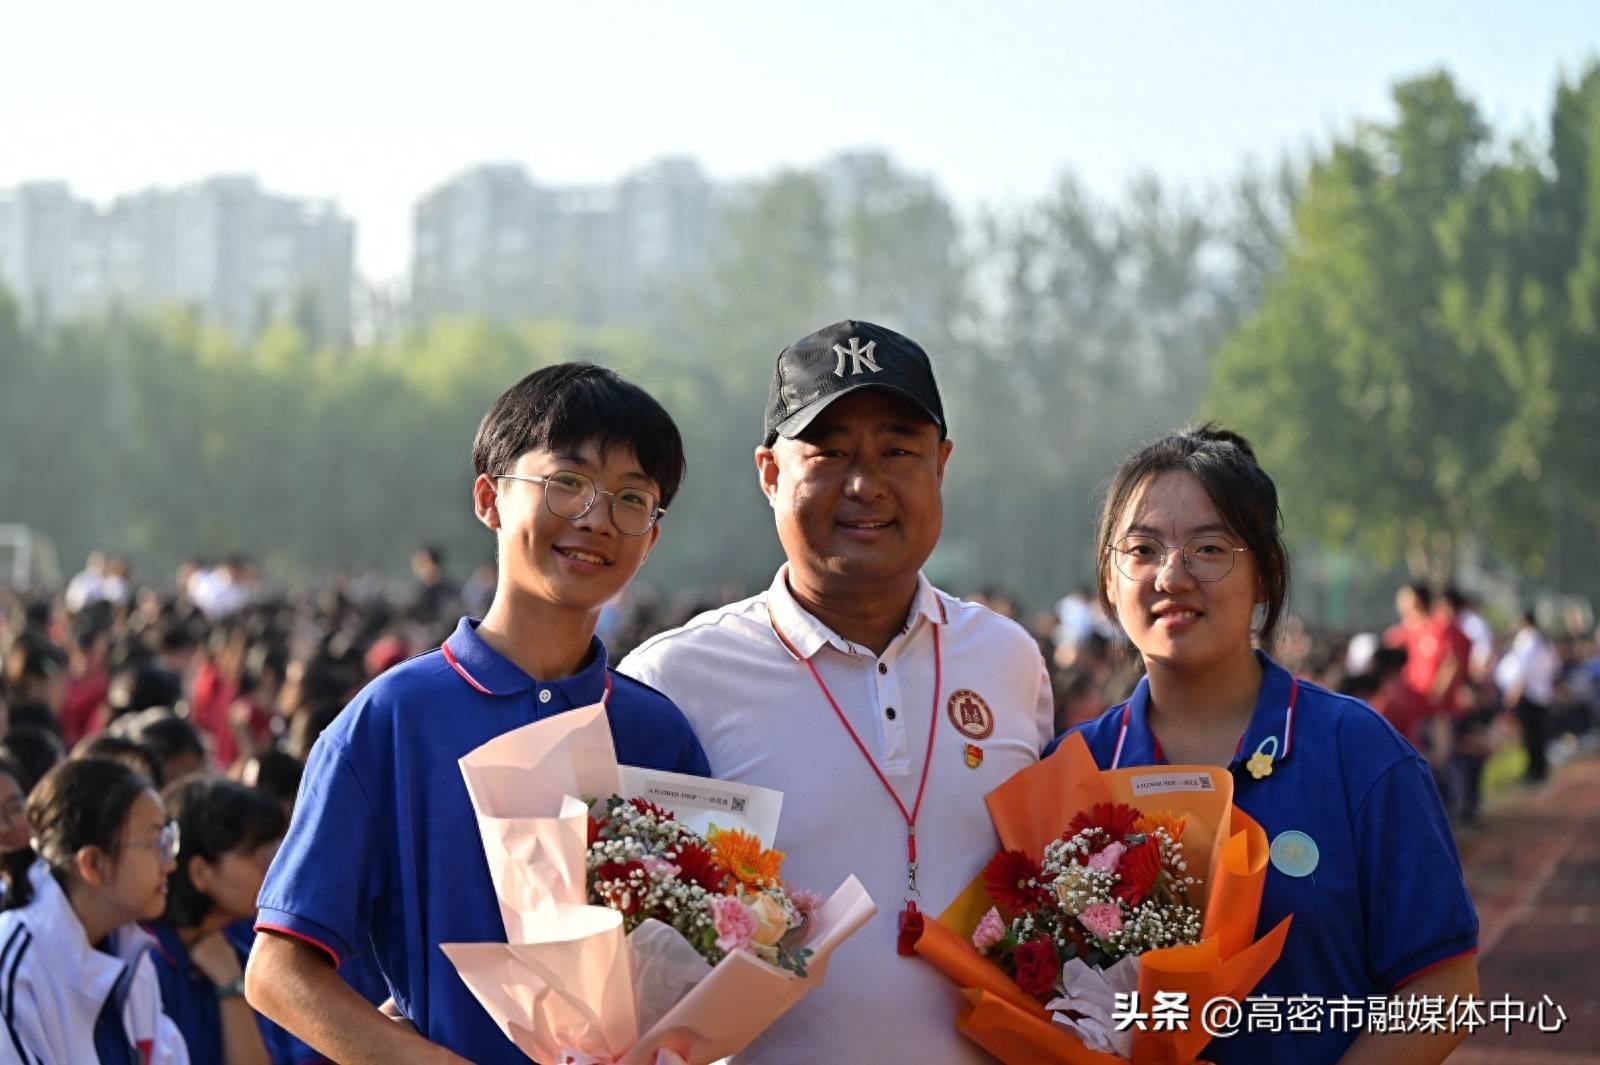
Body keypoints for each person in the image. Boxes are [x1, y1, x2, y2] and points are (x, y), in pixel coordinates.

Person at [246, 362, 710, 1065]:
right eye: (568, 482)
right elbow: (278, 971)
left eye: (631, 498)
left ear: (651, 537)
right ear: (490, 499)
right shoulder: (394, 719)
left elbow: (700, 965)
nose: (597, 518)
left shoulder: (657, 732)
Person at [621, 320, 1054, 1064]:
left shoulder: (1007, 658)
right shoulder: (672, 682)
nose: (866, 485)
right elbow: (631, 956)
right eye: (829, 453)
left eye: (898, 451)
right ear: (769, 473)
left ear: (941, 465)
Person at [1046, 425, 1478, 1064]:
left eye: (1209, 548)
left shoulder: (1357, 753)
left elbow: (1444, 989)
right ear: (1109, 581)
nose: (1172, 575)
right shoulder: (1071, 769)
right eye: (1142, 549)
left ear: (1267, 576)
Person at [0, 758, 189, 1064]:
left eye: (169, 839)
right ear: (93, 864)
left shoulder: (131, 950)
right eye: (155, 842)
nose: (170, 863)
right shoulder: (16, 965)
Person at [149, 776, 287, 1065]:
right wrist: (230, 984)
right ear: (200, 872)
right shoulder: (147, 959)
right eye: (260, 856)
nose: (277, 869)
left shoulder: (242, 940)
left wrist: (230, 982)